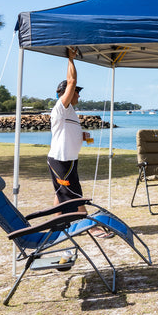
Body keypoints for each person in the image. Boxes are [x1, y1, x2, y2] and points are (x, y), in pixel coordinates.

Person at [47, 47, 111, 237]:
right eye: (75, 92)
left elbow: (66, 131)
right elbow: (72, 81)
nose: (78, 95)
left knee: (61, 192)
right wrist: (71, 59)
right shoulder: (60, 108)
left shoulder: (70, 112)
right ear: (64, 93)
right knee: (75, 193)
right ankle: (90, 227)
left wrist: (81, 135)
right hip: (61, 160)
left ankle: (55, 225)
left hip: (69, 159)